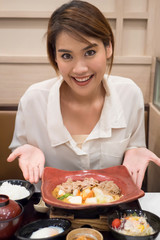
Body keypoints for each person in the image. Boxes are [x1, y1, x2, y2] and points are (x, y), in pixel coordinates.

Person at [7, 0, 160, 191]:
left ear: (108, 48)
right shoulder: (33, 100)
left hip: (111, 211)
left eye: (90, 52)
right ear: (55, 57)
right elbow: (21, 150)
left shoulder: (129, 94)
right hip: (50, 215)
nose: (80, 69)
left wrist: (133, 149)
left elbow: (135, 150)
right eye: (66, 56)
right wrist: (28, 151)